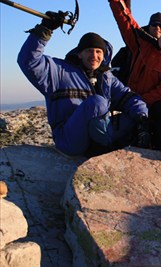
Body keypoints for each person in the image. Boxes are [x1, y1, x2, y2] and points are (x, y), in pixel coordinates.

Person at [17, 10, 150, 157]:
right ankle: (106, 149)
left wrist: (141, 118)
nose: (94, 56)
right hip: (69, 139)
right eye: (89, 51)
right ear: (79, 54)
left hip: (96, 134)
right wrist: (45, 29)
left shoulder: (106, 77)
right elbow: (29, 61)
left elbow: (128, 96)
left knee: (135, 119)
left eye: (98, 52)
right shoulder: (60, 71)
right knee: (97, 102)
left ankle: (124, 145)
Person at [106, 0, 161, 152]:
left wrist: (141, 101)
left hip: (150, 104)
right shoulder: (143, 44)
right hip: (129, 99)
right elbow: (127, 23)